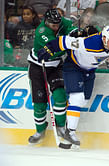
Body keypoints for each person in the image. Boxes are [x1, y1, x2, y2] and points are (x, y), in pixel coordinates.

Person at [27, 8, 77, 144]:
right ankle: (40, 130)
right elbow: (55, 48)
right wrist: (70, 43)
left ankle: (61, 128)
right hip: (38, 65)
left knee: (60, 94)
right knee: (39, 102)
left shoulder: (62, 22)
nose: (56, 27)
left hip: (55, 65)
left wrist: (77, 34)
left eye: (57, 24)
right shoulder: (41, 31)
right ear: (46, 21)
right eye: (53, 25)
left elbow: (72, 31)